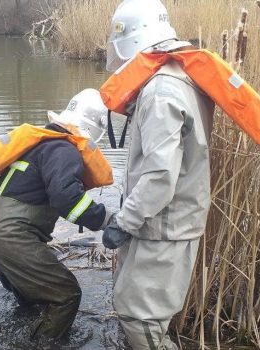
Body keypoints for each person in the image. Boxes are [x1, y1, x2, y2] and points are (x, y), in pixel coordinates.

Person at [100, 0, 215, 349]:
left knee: (140, 318)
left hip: (163, 225)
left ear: (132, 43)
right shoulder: (180, 76)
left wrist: (124, 221)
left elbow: (160, 174)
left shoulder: (160, 91)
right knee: (136, 309)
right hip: (165, 222)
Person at [0, 89, 113, 340]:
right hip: (12, 237)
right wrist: (106, 221)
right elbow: (66, 199)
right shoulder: (64, 149)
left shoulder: (39, 144)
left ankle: (19, 336)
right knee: (66, 295)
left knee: (33, 300)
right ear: (92, 131)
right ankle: (40, 344)